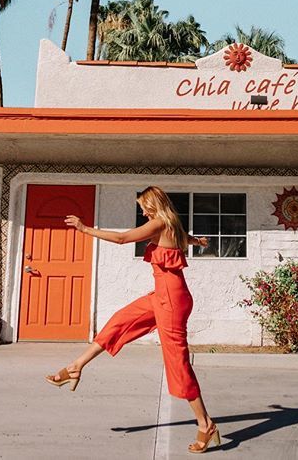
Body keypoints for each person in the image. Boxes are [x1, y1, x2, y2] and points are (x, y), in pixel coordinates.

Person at [45, 185, 220, 454]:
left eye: (143, 205)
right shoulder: (170, 222)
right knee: (119, 321)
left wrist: (84, 229)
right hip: (162, 296)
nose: (141, 210)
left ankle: (205, 424)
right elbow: (183, 238)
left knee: (178, 364)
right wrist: (197, 242)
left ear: (152, 204)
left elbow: (123, 238)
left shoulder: (160, 222)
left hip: (171, 302)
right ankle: (76, 366)